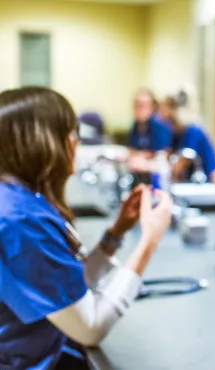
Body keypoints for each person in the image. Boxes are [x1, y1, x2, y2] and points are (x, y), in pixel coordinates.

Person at [0, 87, 173, 369]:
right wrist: (149, 241)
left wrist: (115, 235)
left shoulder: (17, 201)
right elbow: (89, 327)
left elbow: (63, 287)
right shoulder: (21, 223)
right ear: (45, 143)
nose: (77, 143)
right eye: (72, 134)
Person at [158, 96, 215, 182]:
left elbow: (179, 167)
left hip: (209, 181)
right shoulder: (175, 132)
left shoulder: (192, 131)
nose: (159, 114)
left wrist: (149, 165)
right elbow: (168, 156)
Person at [127, 88, 173, 184]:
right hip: (139, 176)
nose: (138, 109)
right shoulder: (136, 126)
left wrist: (139, 156)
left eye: (142, 105)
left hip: (157, 177)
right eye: (136, 105)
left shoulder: (160, 126)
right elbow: (131, 150)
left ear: (152, 107)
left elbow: (162, 154)